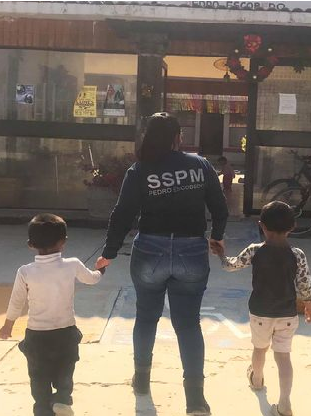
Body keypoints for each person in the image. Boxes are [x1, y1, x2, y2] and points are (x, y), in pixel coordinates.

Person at [95, 112, 228, 415]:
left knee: (145, 318)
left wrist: (110, 252)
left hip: (150, 252)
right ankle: (195, 399)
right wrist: (217, 237)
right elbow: (219, 208)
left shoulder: (139, 170)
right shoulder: (200, 165)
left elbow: (123, 214)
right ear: (177, 137)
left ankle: (141, 380)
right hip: (192, 251)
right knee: (188, 324)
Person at [211, 201, 311, 416]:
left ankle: (257, 380)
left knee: (260, 349)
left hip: (260, 312)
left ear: (261, 225)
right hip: (287, 314)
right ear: (292, 227)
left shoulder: (254, 251)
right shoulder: (297, 254)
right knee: (283, 357)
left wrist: (221, 254)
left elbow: (231, 266)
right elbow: (305, 283)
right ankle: (285, 403)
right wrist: (309, 304)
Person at [0, 214, 104, 416]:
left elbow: (16, 301)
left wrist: (8, 325)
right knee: (66, 369)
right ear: (63, 243)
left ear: (30, 245)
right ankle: (63, 399)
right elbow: (92, 279)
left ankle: (42, 409)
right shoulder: (72, 264)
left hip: (37, 336)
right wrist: (101, 269)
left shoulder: (25, 272)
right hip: (65, 332)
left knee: (39, 377)